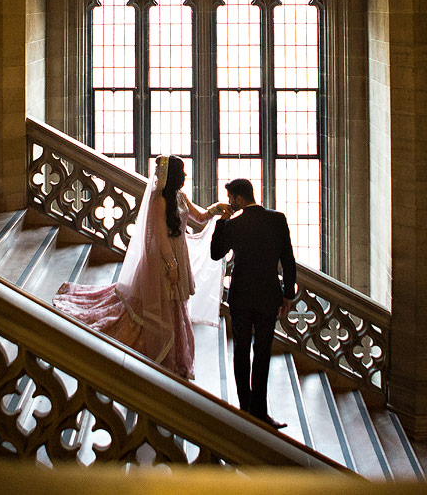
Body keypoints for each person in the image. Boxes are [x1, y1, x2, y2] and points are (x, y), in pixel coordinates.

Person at [53, 155, 228, 379]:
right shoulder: (158, 200)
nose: (185, 175)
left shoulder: (180, 196)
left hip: (178, 252)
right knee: (161, 300)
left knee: (174, 304)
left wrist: (216, 209)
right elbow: (159, 236)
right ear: (172, 176)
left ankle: (173, 351)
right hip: (163, 258)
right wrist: (171, 265)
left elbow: (200, 218)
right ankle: (157, 347)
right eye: (182, 172)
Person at [210, 178, 297, 429]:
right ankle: (260, 411)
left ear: (238, 199)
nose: (230, 204)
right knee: (262, 353)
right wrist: (287, 294)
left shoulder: (233, 225)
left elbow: (216, 254)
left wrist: (221, 223)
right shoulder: (277, 219)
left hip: (240, 296)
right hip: (268, 295)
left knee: (241, 350)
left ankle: (244, 408)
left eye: (230, 199)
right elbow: (288, 260)